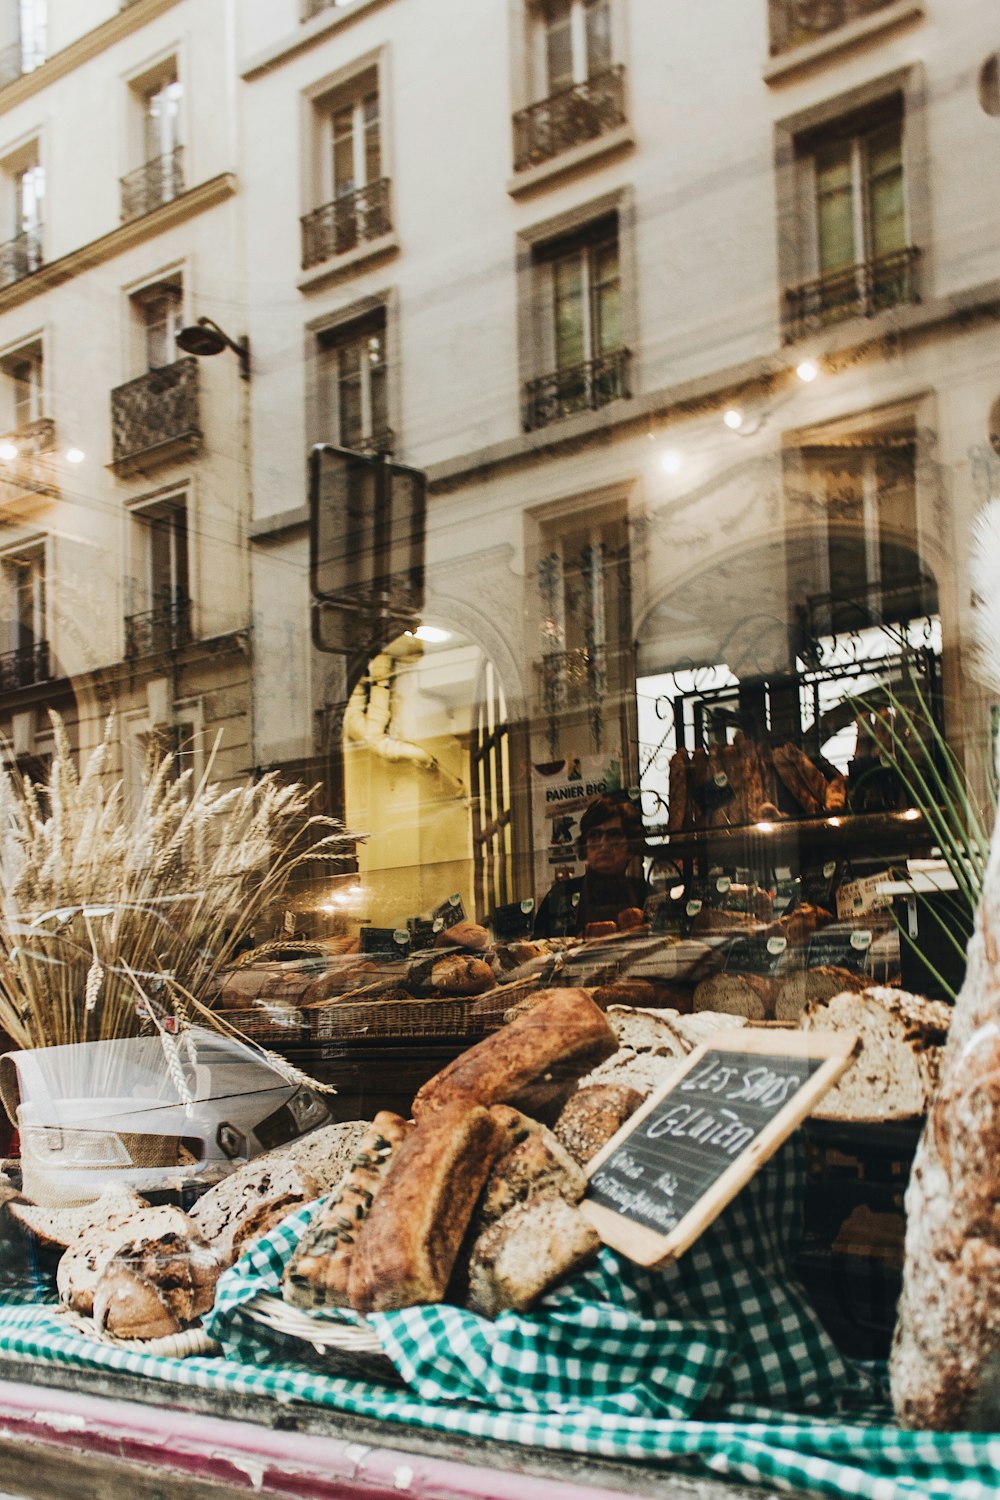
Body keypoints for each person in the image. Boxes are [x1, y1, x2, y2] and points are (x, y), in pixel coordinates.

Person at [534, 794, 649, 939]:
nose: (603, 844)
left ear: (630, 847)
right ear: (585, 846)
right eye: (595, 835)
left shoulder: (644, 893)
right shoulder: (560, 895)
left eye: (613, 835)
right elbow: (540, 953)